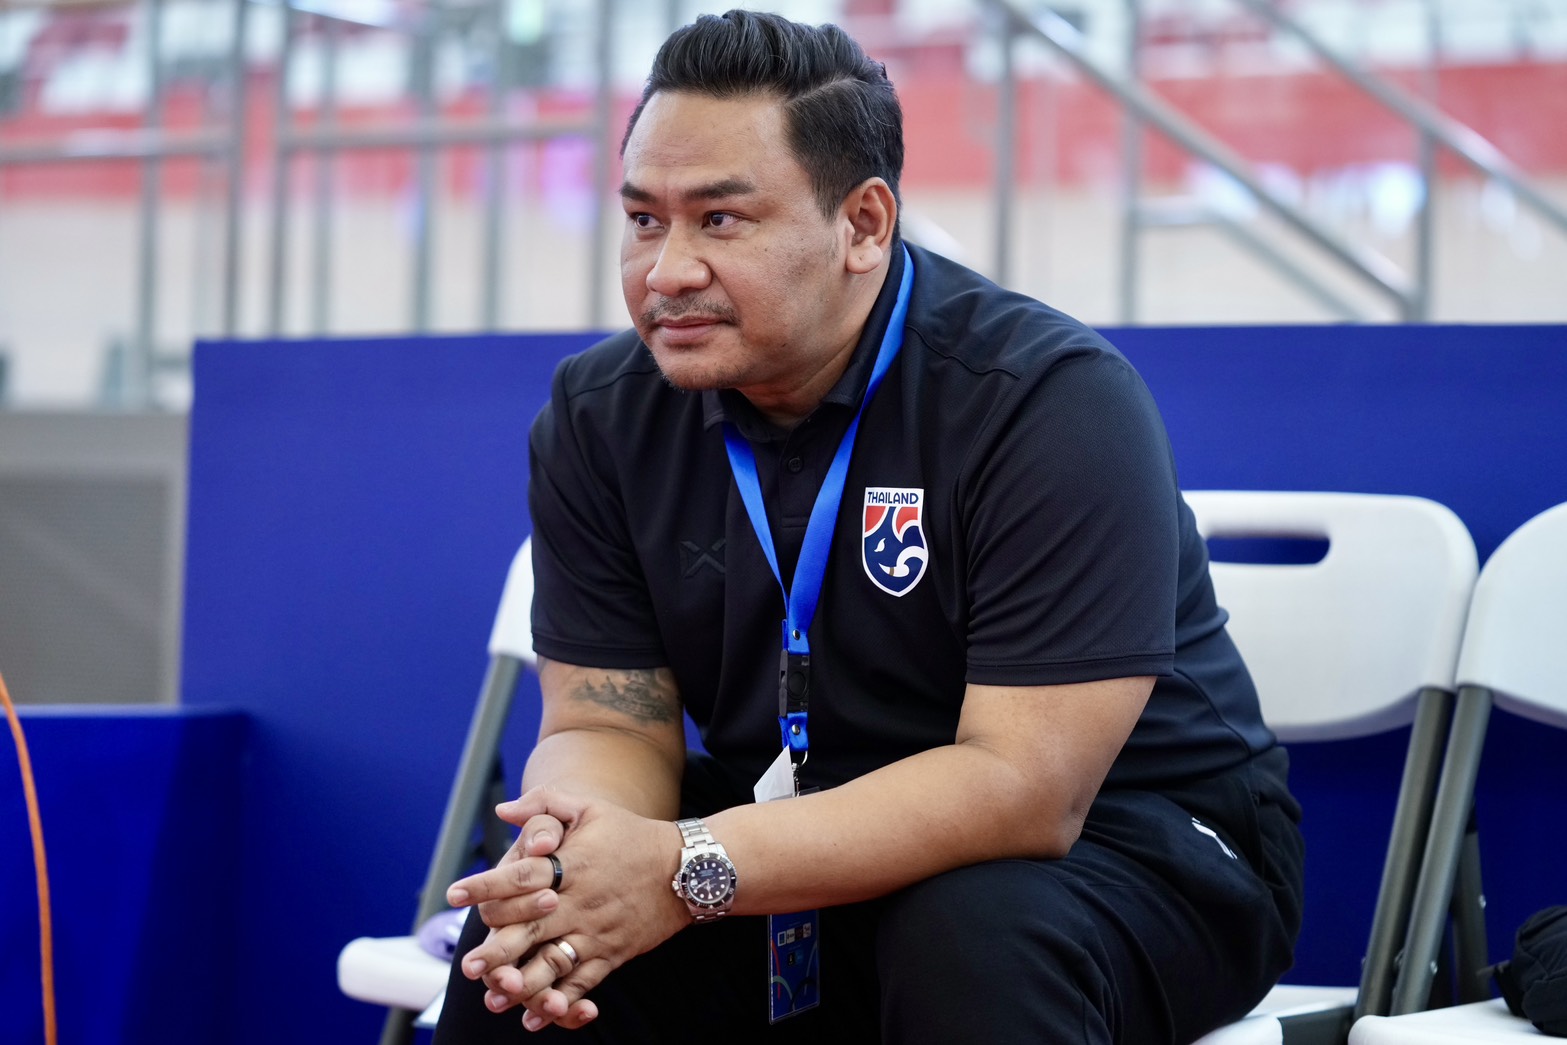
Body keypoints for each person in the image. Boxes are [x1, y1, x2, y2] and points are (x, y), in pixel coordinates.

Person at [433, 9, 1303, 1043]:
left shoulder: (1046, 400)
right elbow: (606, 723)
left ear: (863, 224)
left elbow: (1022, 788)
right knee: (533, 946)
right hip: (789, 825)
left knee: (969, 935)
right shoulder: (600, 414)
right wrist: (578, 848)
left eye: (720, 220)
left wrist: (684, 864)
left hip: (1124, 844)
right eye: (643, 219)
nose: (665, 271)